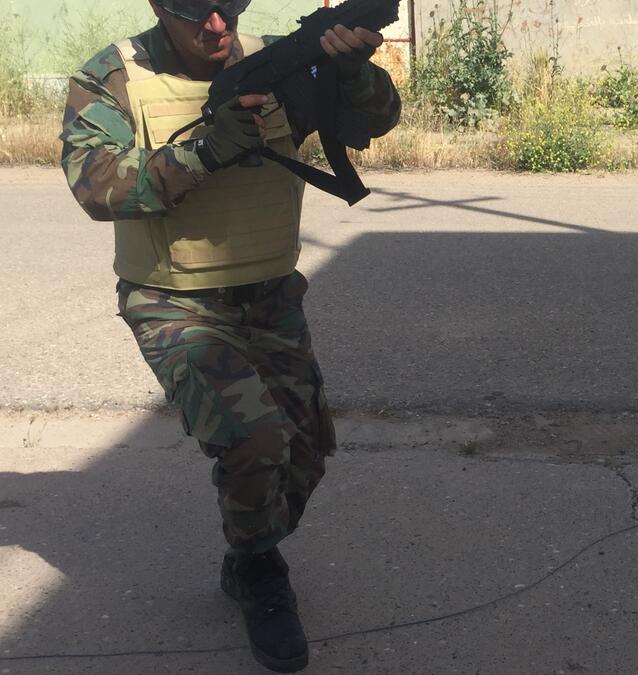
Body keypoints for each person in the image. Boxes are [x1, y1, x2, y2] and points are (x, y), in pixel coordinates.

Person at [59, 1, 400, 671]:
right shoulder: (113, 77)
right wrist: (199, 154)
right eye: (195, 12)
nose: (216, 26)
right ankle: (259, 571)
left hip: (270, 292)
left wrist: (354, 70)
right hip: (171, 297)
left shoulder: (286, 58)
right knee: (255, 438)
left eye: (229, 6)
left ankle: (251, 542)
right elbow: (94, 185)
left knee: (306, 451)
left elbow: (375, 121)